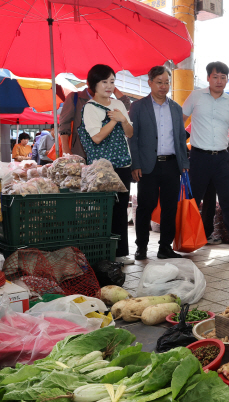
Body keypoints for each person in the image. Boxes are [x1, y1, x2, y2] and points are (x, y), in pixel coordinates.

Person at [182, 61, 229, 256]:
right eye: (215, 76)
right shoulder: (196, 96)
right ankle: (186, 241)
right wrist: (179, 147)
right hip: (198, 157)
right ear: (208, 78)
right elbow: (181, 118)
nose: (219, 81)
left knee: (228, 200)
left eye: (223, 77)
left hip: (222, 158)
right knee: (193, 201)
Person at [129, 66, 190, 261]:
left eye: (166, 83)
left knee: (170, 207)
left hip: (172, 165)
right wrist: (135, 164)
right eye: (159, 82)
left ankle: (165, 247)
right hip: (148, 166)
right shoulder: (138, 107)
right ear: (150, 83)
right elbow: (133, 138)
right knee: (145, 207)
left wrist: (184, 163)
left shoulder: (176, 108)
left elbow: (181, 139)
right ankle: (141, 247)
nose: (163, 86)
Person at [80, 64, 135, 265]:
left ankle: (120, 253)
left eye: (112, 81)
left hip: (122, 164)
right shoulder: (89, 107)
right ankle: (103, 254)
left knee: (121, 210)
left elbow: (130, 133)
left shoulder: (119, 104)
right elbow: (96, 138)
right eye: (104, 81)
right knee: (103, 210)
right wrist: (114, 121)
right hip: (101, 169)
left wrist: (123, 120)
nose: (109, 86)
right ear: (93, 84)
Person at [59, 82, 130, 158]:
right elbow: (64, 124)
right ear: (88, 82)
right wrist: (65, 149)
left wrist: (114, 88)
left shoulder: (109, 100)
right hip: (80, 151)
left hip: (104, 152)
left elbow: (127, 105)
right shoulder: (75, 97)